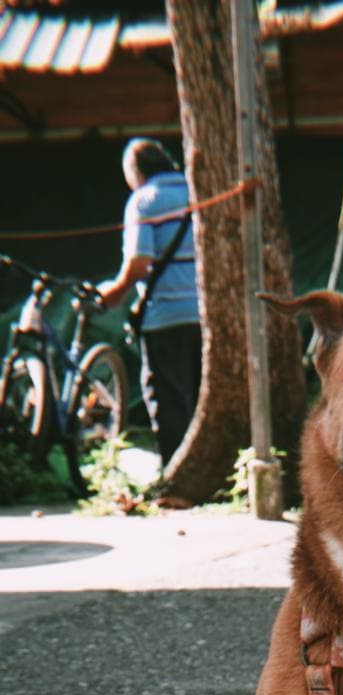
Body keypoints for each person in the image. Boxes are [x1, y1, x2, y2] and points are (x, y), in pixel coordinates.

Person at [99, 138, 201, 468]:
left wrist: (113, 295)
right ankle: (208, 471)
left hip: (165, 316)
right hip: (206, 316)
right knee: (202, 397)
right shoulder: (197, 191)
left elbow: (139, 264)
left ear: (135, 172)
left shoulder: (144, 201)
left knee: (169, 400)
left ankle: (176, 471)